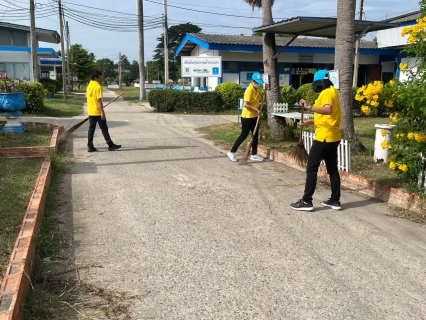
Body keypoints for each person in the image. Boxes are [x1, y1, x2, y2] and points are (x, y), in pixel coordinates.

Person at [290, 70, 342, 211]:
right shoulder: (334, 91)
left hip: (324, 137)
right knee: (332, 169)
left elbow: (327, 110)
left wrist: (308, 107)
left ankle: (307, 201)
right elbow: (327, 117)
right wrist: (308, 122)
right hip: (334, 136)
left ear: (319, 82)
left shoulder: (325, 93)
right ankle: (335, 200)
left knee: (312, 167)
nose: (315, 87)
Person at [227, 72, 265, 162]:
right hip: (247, 117)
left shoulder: (256, 89)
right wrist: (256, 110)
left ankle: (254, 154)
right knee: (244, 135)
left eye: (260, 82)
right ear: (253, 81)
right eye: (258, 82)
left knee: (255, 135)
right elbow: (245, 104)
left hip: (255, 116)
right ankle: (232, 152)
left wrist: (266, 90)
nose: (259, 84)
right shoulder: (249, 90)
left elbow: (262, 96)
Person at [86, 71, 121, 152]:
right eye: (100, 77)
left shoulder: (89, 86)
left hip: (91, 111)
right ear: (96, 78)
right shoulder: (98, 87)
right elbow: (99, 101)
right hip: (97, 111)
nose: (101, 79)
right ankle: (110, 145)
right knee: (104, 128)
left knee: (91, 129)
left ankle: (90, 146)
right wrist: (102, 112)